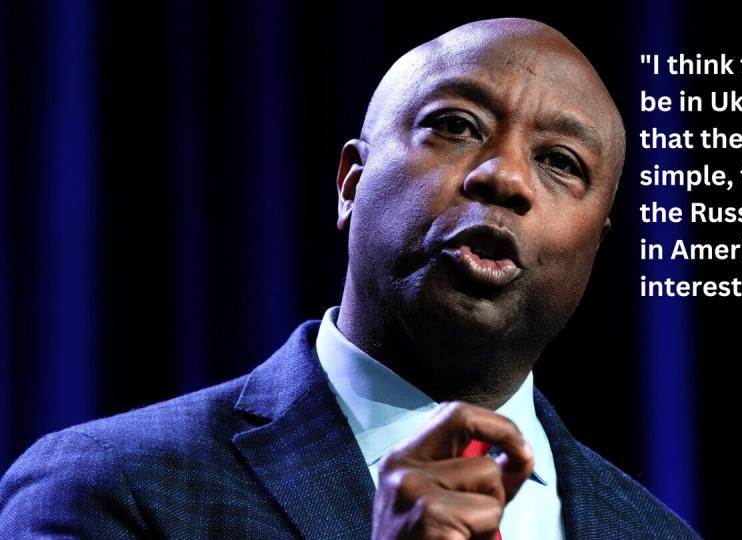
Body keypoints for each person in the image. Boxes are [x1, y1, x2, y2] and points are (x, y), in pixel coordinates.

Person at [0, 17, 700, 539]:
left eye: (561, 162)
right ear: (351, 184)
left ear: (595, 248)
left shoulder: (656, 533)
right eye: (456, 125)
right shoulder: (109, 487)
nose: (505, 175)